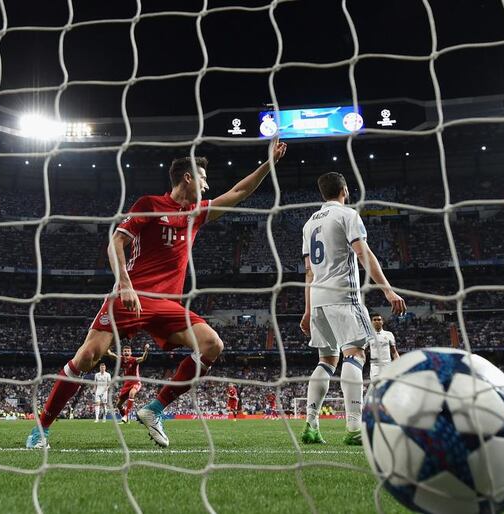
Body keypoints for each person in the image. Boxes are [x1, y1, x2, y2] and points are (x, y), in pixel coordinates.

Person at [26, 141, 288, 449]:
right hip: (132, 295)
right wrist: (124, 283)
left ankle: (154, 409)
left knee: (212, 345)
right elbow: (115, 243)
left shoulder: (197, 213)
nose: (207, 185)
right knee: (86, 357)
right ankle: (40, 429)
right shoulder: (149, 203)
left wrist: (268, 163)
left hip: (166, 305)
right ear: (187, 178)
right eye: (202, 178)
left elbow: (239, 193)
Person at [299, 172, 406, 445]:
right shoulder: (347, 215)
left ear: (323, 193)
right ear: (345, 190)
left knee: (326, 361)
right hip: (343, 295)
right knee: (355, 355)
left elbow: (309, 273)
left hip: (319, 299)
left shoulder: (309, 224)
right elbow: (362, 253)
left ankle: (311, 426)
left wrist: (308, 310)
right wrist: (387, 289)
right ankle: (354, 429)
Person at [106, 344, 149, 423]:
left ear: (131, 353)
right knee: (118, 405)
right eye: (125, 351)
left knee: (132, 393)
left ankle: (126, 415)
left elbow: (143, 358)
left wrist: (146, 351)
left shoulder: (134, 360)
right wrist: (106, 348)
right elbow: (111, 355)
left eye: (128, 351)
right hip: (126, 384)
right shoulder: (121, 359)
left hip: (136, 382)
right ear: (122, 352)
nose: (126, 352)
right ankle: (125, 419)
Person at [366, 313, 399, 381]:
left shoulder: (389, 334)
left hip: (387, 364)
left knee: (387, 386)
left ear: (382, 322)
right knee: (376, 386)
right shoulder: (368, 336)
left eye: (379, 319)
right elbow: (364, 352)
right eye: (374, 320)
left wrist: (399, 363)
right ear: (371, 322)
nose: (377, 321)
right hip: (374, 365)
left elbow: (394, 352)